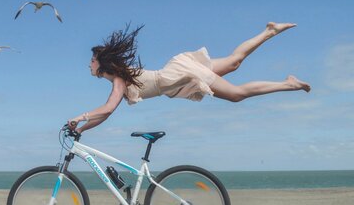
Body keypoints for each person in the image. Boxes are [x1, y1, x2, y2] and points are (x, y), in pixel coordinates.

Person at [67, 22, 311, 134]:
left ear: (101, 62)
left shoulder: (119, 79)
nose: (88, 65)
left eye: (91, 61)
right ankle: (269, 31)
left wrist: (80, 118)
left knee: (236, 95)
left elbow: (107, 109)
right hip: (178, 70)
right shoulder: (119, 78)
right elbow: (105, 114)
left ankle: (288, 84)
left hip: (177, 75)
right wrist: (83, 129)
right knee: (234, 62)